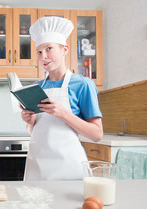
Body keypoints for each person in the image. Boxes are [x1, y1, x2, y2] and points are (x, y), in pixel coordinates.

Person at [22, 16, 103, 180]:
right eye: (39, 51)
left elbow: (97, 134)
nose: (43, 56)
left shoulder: (83, 85)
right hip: (37, 167)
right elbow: (39, 132)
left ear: (64, 49)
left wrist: (64, 114)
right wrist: (30, 123)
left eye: (49, 48)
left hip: (68, 168)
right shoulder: (37, 88)